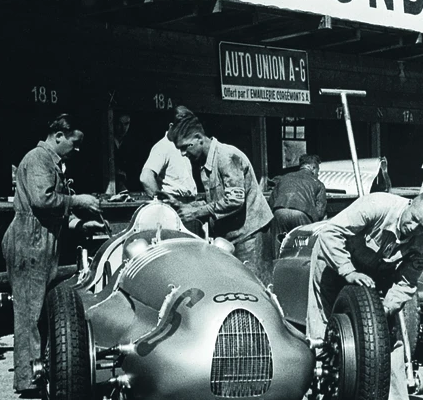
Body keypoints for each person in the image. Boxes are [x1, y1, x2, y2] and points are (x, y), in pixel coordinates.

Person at [307, 192, 423, 400]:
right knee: (327, 331)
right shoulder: (377, 205)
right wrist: (347, 271)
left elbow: (406, 281)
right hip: (334, 261)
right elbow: (330, 232)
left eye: (421, 227)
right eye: (412, 219)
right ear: (410, 203)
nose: (412, 228)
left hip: (371, 274)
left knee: (387, 334)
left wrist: (384, 309)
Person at [2, 114, 106, 396]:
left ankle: (38, 370)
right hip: (29, 240)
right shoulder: (38, 159)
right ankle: (28, 378)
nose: (77, 149)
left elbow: (53, 211)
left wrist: (80, 224)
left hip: (41, 240)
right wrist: (78, 200)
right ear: (59, 136)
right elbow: (42, 200)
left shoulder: (51, 162)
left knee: (38, 310)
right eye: (74, 143)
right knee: (30, 313)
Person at [169, 112, 274, 284]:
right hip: (233, 237)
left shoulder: (226, 156)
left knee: (255, 289)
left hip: (250, 237)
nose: (182, 153)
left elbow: (234, 200)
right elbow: (218, 199)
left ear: (199, 138)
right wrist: (191, 206)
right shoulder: (206, 163)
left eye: (185, 147)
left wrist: (197, 212)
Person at [269, 154, 327, 258]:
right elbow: (320, 212)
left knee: (278, 249)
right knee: (304, 250)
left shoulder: (284, 178)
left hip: (279, 213)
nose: (317, 174)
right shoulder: (318, 183)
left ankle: (277, 269)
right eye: (318, 170)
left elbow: (271, 202)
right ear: (313, 168)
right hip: (301, 214)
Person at [139, 106, 197, 201]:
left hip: (189, 203)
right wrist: (161, 203)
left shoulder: (183, 146)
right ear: (171, 127)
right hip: (174, 203)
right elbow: (146, 177)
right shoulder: (162, 147)